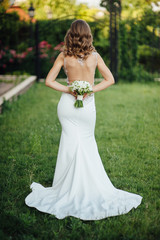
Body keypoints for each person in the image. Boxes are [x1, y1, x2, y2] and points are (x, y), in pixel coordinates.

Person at [25, 19, 142, 220]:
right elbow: (110, 79)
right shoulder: (95, 56)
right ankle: (86, 184)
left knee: (70, 143)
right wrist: (89, 90)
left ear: (71, 34)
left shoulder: (64, 55)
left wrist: (70, 89)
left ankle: (66, 187)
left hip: (67, 106)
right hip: (87, 106)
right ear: (88, 35)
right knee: (86, 142)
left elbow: (49, 81)